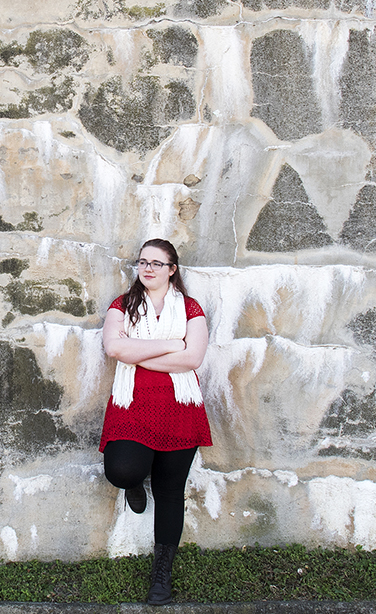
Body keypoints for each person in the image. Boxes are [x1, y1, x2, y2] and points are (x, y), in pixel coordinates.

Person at [99, 238, 211, 605]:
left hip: (180, 407)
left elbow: (193, 358)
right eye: (142, 262)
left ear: (172, 269)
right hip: (133, 405)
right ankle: (134, 483)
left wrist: (139, 353)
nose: (147, 268)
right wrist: (169, 345)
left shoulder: (191, 309)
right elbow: (115, 349)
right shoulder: (123, 305)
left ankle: (161, 573)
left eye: (156, 263)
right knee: (122, 471)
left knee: (169, 491)